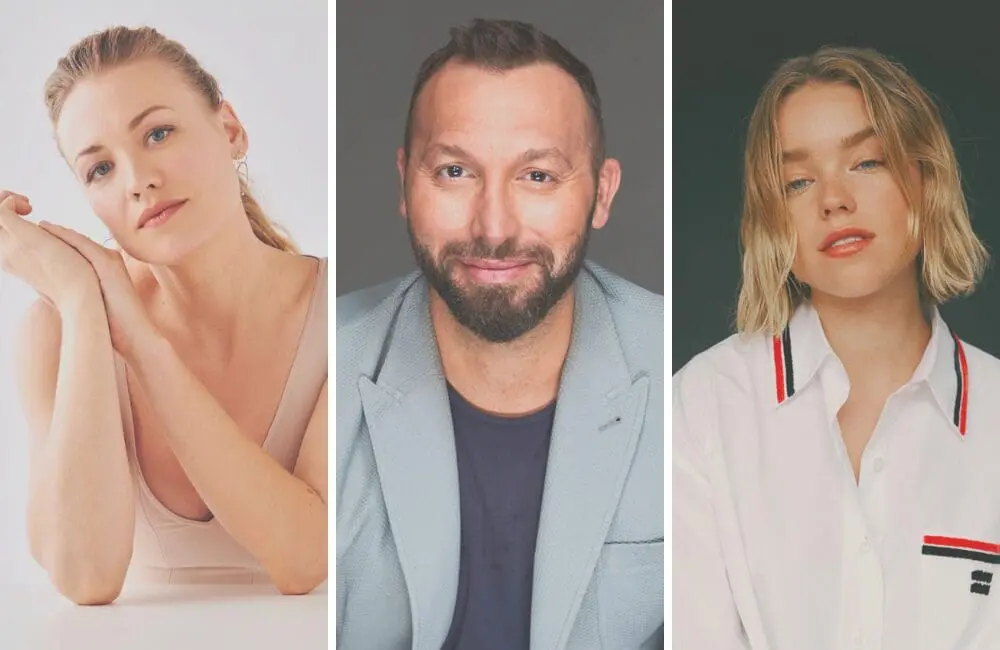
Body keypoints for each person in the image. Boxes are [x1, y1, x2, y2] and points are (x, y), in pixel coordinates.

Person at [336, 18, 663, 650]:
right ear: (406, 181)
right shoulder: (331, 365)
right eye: (455, 172)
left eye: (537, 176)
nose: (492, 227)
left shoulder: (683, 379)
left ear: (602, 192)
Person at [674, 45, 1000, 649]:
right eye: (797, 180)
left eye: (867, 163)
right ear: (772, 215)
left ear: (925, 178)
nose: (833, 199)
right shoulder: (701, 406)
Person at [0, 25, 328, 605]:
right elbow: (85, 577)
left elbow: (305, 559)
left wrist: (142, 343)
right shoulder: (55, 332)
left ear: (230, 130)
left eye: (157, 133)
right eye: (100, 168)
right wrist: (81, 302)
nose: (138, 180)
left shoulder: (339, 315)